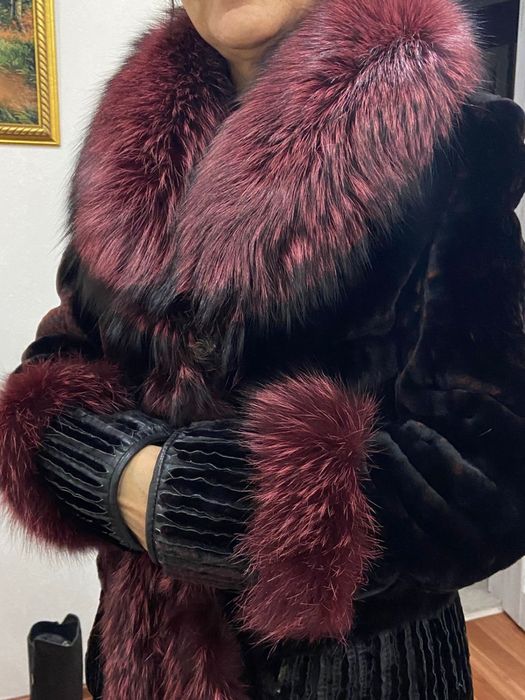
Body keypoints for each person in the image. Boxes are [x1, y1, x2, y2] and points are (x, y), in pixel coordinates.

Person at [1, 0, 525, 697]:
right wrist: (116, 473)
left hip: (356, 673)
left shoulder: (451, 139)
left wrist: (178, 499)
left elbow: (491, 474)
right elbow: (60, 360)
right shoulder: (128, 152)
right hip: (143, 654)